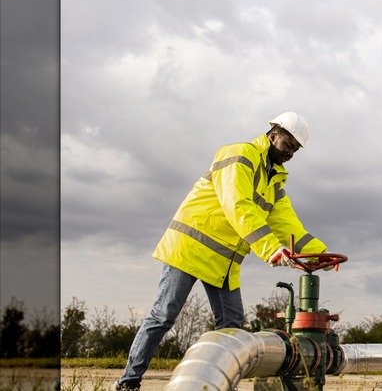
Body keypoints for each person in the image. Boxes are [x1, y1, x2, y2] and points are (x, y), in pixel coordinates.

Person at [115, 112, 329, 390]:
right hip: (190, 248)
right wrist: (269, 248)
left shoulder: (274, 180)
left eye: (295, 150)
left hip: (223, 261)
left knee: (231, 325)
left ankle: (221, 384)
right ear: (273, 135)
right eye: (288, 145)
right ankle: (128, 382)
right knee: (163, 315)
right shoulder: (240, 155)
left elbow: (288, 225)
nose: (290, 154)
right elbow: (237, 204)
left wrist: (319, 254)